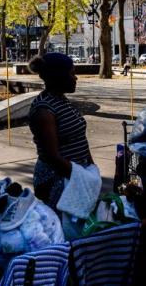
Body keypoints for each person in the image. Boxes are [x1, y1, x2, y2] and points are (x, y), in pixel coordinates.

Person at [28, 53, 95, 211]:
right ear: (59, 76)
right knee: (67, 228)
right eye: (72, 73)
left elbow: (79, 139)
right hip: (58, 181)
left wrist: (91, 168)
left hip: (75, 176)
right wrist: (84, 179)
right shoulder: (44, 110)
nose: (75, 78)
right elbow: (52, 157)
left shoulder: (61, 100)